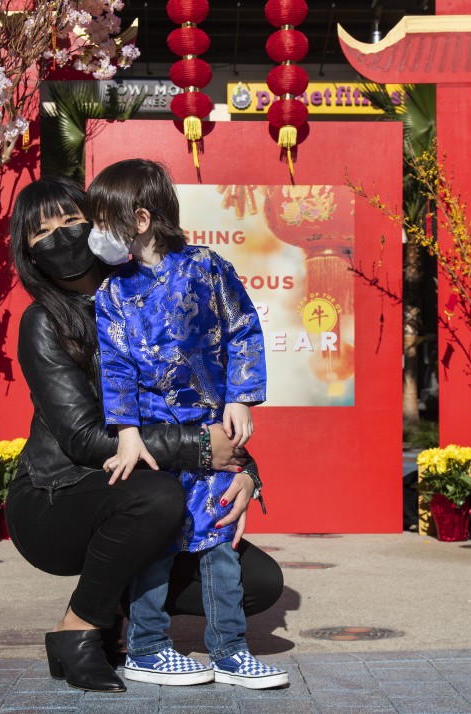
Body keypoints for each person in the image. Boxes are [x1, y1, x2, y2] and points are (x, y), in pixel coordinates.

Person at [4, 175, 283, 694]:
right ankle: (81, 629)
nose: (62, 237)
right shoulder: (44, 322)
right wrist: (203, 450)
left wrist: (243, 469)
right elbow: (85, 438)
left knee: (259, 581)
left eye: (72, 220)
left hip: (140, 482)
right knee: (158, 497)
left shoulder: (146, 290)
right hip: (58, 495)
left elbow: (201, 389)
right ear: (29, 253)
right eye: (43, 232)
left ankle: (126, 604)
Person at [87, 158, 289, 689]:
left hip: (210, 432)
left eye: (105, 220)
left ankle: (230, 651)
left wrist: (242, 397)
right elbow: (115, 366)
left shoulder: (207, 267)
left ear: (141, 219)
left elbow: (243, 328)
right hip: (155, 442)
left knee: (220, 539)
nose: (97, 233)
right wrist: (127, 431)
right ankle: (148, 648)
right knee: (153, 543)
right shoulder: (111, 294)